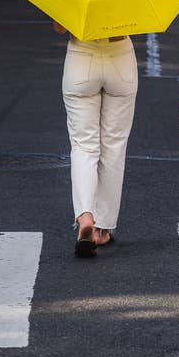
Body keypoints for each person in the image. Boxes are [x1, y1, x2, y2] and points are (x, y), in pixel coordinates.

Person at [53, 21, 138, 258]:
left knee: (83, 146)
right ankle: (101, 229)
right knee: (114, 146)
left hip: (81, 57)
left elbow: (59, 27)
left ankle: (85, 216)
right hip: (120, 56)